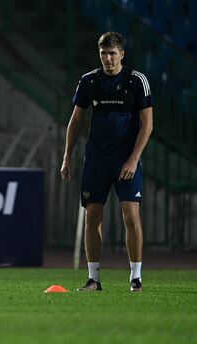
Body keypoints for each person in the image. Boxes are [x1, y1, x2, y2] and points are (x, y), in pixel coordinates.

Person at [60, 31, 154, 292]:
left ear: (122, 54)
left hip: (126, 160)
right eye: (103, 53)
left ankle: (136, 277)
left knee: (130, 215)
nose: (108, 58)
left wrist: (134, 158)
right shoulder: (89, 81)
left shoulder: (137, 81)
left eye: (112, 53)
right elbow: (76, 120)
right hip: (97, 159)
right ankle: (93, 279)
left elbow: (148, 124)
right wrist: (67, 156)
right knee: (92, 216)